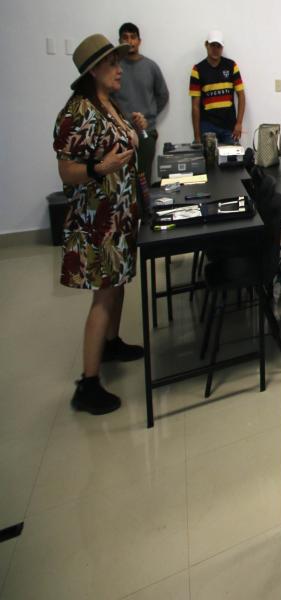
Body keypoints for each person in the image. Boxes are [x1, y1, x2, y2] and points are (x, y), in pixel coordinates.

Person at [54, 34, 147, 415]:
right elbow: (66, 169)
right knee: (104, 295)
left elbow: (123, 147)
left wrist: (135, 128)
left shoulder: (108, 104)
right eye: (113, 64)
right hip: (98, 220)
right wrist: (98, 168)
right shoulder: (77, 111)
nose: (120, 69)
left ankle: (111, 343)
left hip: (119, 215)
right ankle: (87, 384)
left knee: (117, 284)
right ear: (94, 69)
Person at [112, 22, 168, 185]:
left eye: (133, 37)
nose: (130, 41)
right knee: (122, 181)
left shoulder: (150, 67)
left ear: (139, 41)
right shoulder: (114, 68)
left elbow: (163, 94)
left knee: (143, 179)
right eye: (125, 38)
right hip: (120, 133)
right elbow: (107, 98)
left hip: (146, 132)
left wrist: (150, 113)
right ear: (120, 41)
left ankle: (144, 212)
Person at [189, 30, 245, 144]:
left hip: (229, 127)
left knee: (232, 160)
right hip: (207, 127)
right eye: (212, 45)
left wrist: (239, 123)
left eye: (218, 46)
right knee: (210, 161)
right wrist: (197, 137)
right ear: (206, 45)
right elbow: (195, 106)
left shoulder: (231, 66)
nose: (215, 49)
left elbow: (241, 96)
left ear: (222, 48)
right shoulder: (197, 70)